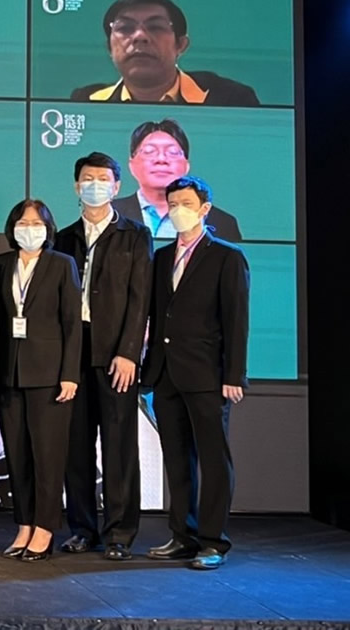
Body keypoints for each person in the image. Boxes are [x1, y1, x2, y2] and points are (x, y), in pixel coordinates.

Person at [143, 176, 249, 571]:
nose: (178, 211)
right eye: (172, 204)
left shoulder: (226, 256)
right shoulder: (161, 257)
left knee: (213, 459)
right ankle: (182, 535)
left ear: (204, 208)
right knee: (177, 459)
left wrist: (233, 374)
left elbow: (236, 320)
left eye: (186, 204)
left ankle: (213, 541)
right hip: (166, 373)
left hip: (208, 375)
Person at [54, 153, 153, 561]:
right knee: (75, 448)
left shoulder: (135, 235)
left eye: (103, 178)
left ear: (116, 187)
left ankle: (119, 534)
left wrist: (129, 353)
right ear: (76, 186)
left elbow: (140, 299)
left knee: (119, 447)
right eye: (87, 178)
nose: (94, 185)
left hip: (116, 355)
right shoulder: (63, 237)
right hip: (73, 354)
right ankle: (82, 529)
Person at [0, 199, 81, 563]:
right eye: (23, 223)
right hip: (8, 373)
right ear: (12, 228)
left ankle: (45, 526)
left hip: (50, 375)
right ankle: (24, 523)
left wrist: (70, 374)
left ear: (48, 228)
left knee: (47, 456)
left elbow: (72, 324)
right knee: (17, 454)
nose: (29, 229)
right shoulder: (2, 264)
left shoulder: (62, 264)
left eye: (36, 223)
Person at [70, 0, 258, 106]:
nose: (140, 37)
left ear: (181, 45)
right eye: (125, 28)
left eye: (155, 27)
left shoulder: (230, 98)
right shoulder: (87, 101)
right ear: (109, 48)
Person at [111, 119, 242, 241]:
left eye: (173, 152)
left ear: (186, 165)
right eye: (149, 151)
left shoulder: (223, 223)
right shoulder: (110, 214)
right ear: (131, 164)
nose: (161, 159)